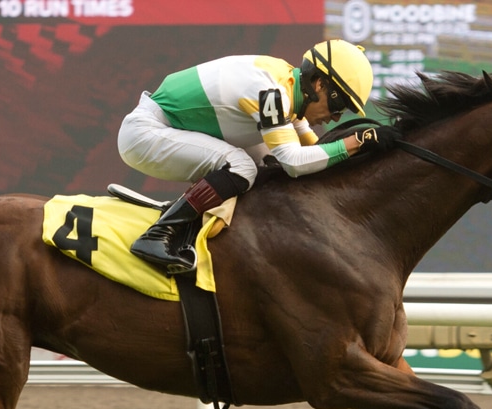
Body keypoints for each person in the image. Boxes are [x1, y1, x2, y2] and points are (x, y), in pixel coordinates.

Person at [117, 40, 398, 275]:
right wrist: (357, 141)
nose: (336, 117)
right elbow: (295, 161)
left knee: (266, 165)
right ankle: (158, 234)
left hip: (162, 126)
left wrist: (352, 154)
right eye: (339, 105)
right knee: (241, 167)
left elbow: (314, 148)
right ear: (319, 84)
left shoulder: (289, 88)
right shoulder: (271, 92)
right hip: (147, 132)